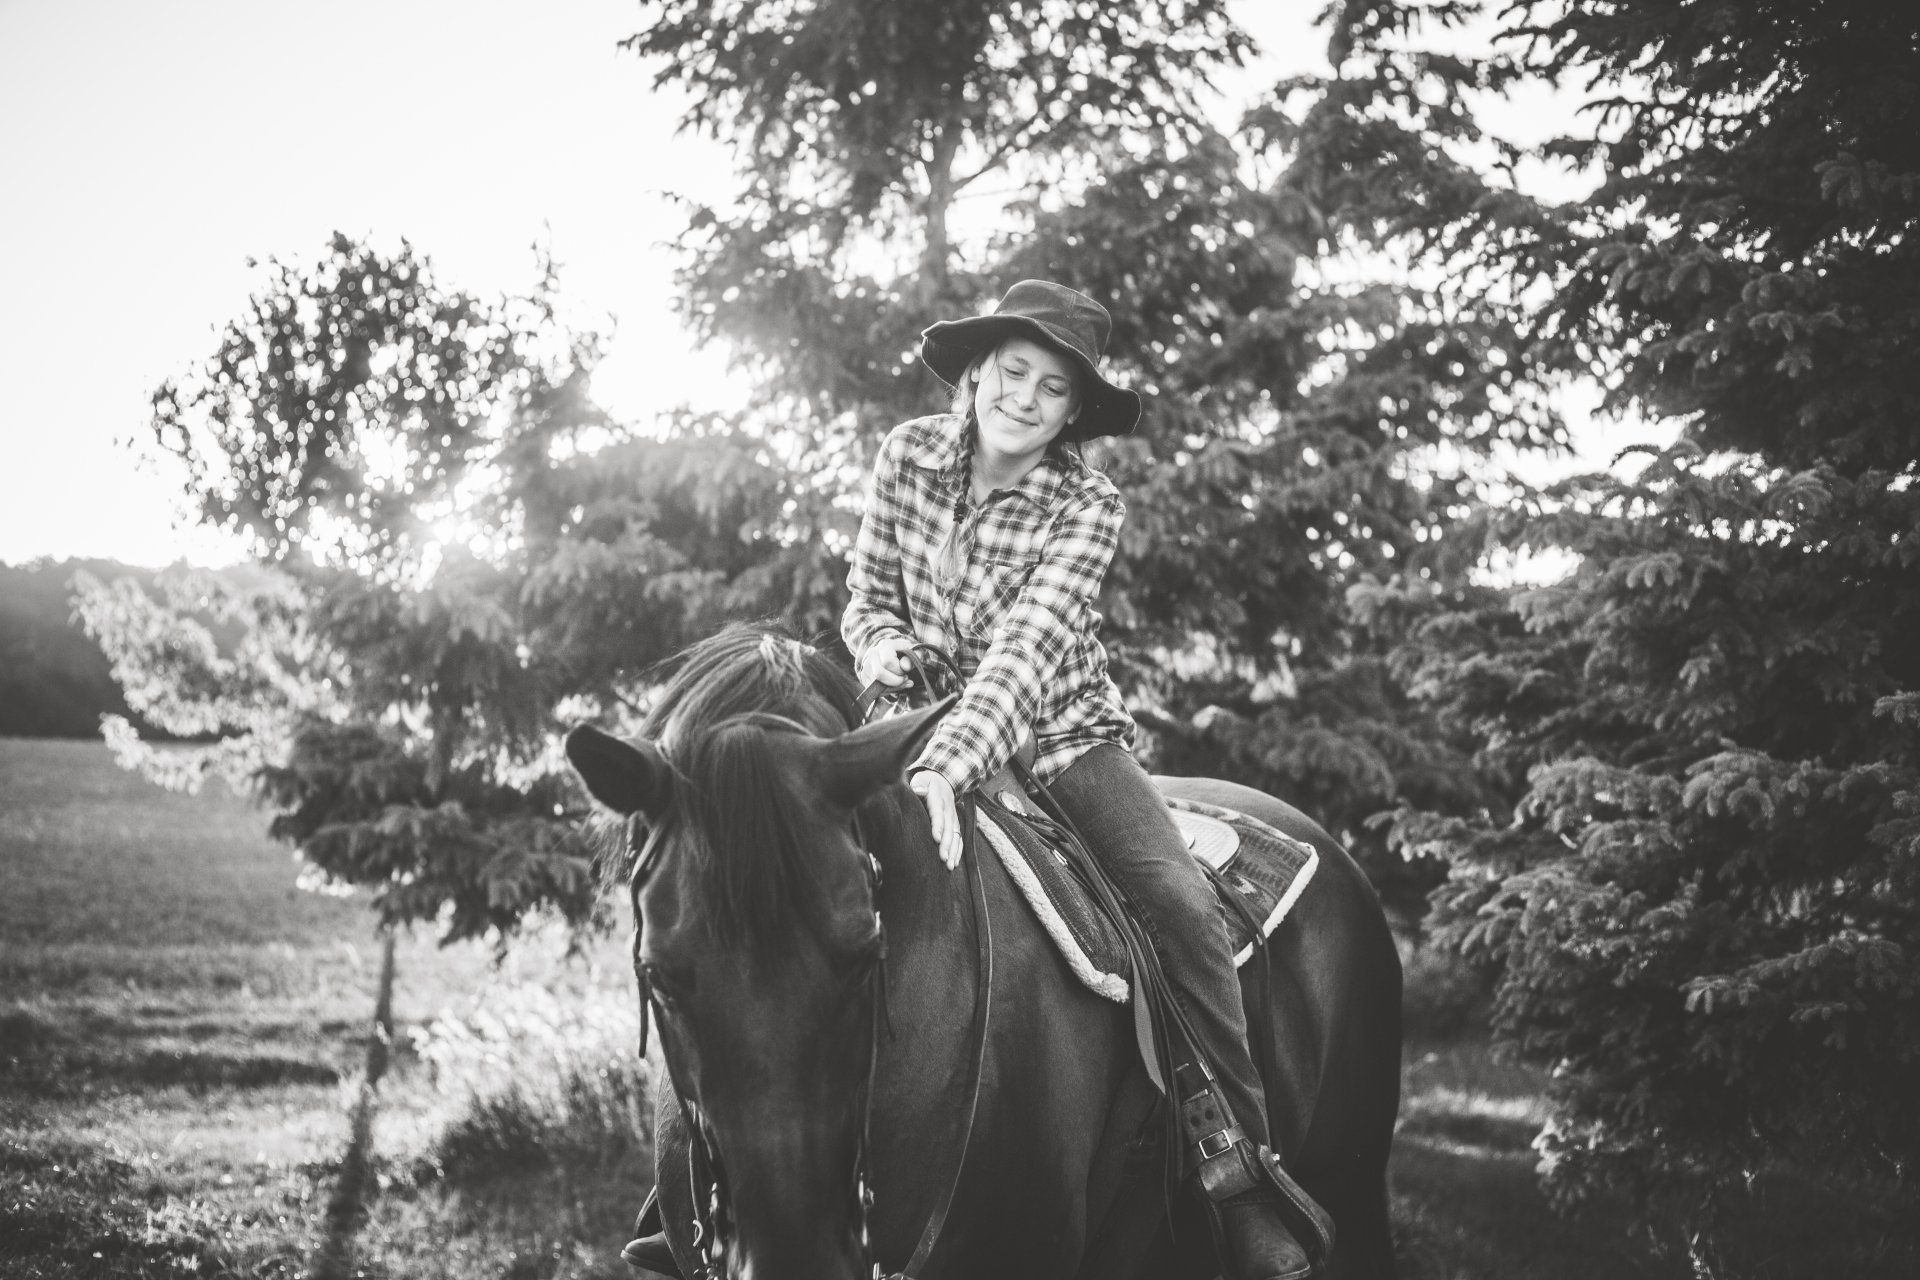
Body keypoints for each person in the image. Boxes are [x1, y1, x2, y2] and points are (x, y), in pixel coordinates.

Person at [843, 280, 1317, 1280]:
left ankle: (1239, 1174)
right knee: (796, 874)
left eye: (1051, 388)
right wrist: (885, 655)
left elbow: (1024, 654)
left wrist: (946, 765)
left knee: (1182, 907)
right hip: (907, 723)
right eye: (1012, 372)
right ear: (978, 373)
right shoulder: (906, 454)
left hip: (1059, 738)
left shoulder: (1087, 505)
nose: (1024, 398)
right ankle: (714, 1169)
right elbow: (868, 596)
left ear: (1070, 413)